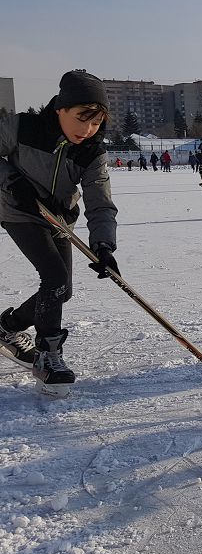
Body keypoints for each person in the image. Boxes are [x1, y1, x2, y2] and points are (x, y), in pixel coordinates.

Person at [0, 70, 120, 388]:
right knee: (53, 278)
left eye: (96, 122)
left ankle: (7, 326)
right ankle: (48, 354)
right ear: (60, 109)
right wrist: (11, 182)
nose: (89, 129)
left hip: (58, 218)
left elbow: (100, 200)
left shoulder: (92, 151)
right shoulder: (22, 127)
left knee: (61, 290)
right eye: (82, 118)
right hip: (19, 211)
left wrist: (104, 246)